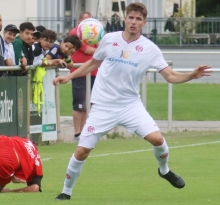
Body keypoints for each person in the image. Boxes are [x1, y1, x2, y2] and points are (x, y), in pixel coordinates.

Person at [53, 3, 212, 200]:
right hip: (103, 106)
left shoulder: (150, 48)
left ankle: (164, 170)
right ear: (125, 19)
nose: (134, 22)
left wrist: (191, 75)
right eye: (131, 18)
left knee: (157, 140)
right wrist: (69, 77)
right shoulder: (109, 39)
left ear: (144, 23)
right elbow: (94, 63)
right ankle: (66, 192)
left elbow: (170, 76)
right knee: (82, 150)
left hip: (130, 105)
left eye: (138, 19)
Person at [69, 11, 98, 141]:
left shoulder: (95, 33)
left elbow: (99, 46)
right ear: (80, 21)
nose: (89, 24)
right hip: (79, 72)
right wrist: (101, 50)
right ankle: (77, 133)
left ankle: (85, 131)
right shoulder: (75, 33)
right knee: (79, 103)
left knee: (90, 103)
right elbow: (86, 49)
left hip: (94, 72)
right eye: (86, 21)